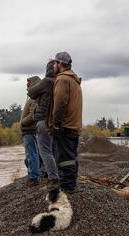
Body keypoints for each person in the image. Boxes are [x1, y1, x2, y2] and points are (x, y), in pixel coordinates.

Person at [49, 52, 83, 193]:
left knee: (65, 159)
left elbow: (59, 103)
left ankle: (68, 187)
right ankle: (71, 184)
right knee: (71, 156)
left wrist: (56, 124)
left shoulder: (62, 79)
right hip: (74, 125)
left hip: (65, 126)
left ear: (61, 64)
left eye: (55, 63)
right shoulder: (74, 80)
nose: (53, 65)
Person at [27, 61, 59, 185]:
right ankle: (54, 174)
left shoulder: (47, 82)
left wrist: (31, 86)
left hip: (43, 120)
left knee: (44, 151)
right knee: (52, 150)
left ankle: (53, 177)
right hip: (55, 121)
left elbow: (31, 93)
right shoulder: (59, 82)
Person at [21, 76, 41, 186]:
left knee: (32, 154)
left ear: (33, 84)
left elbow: (33, 116)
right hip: (27, 130)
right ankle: (33, 175)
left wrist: (22, 122)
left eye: (29, 83)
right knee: (31, 154)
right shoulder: (32, 98)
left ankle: (34, 177)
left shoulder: (34, 99)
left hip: (29, 130)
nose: (27, 86)